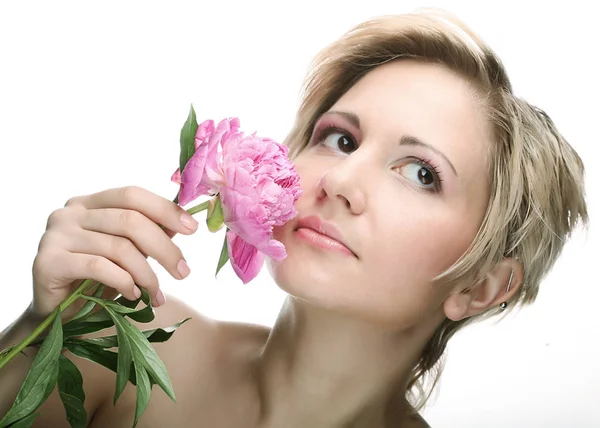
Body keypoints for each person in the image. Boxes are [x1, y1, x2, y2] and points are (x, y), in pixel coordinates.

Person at [0, 8, 588, 428]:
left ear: (481, 285)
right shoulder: (117, 338)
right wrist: (35, 333)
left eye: (420, 173)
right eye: (339, 138)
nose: (343, 181)